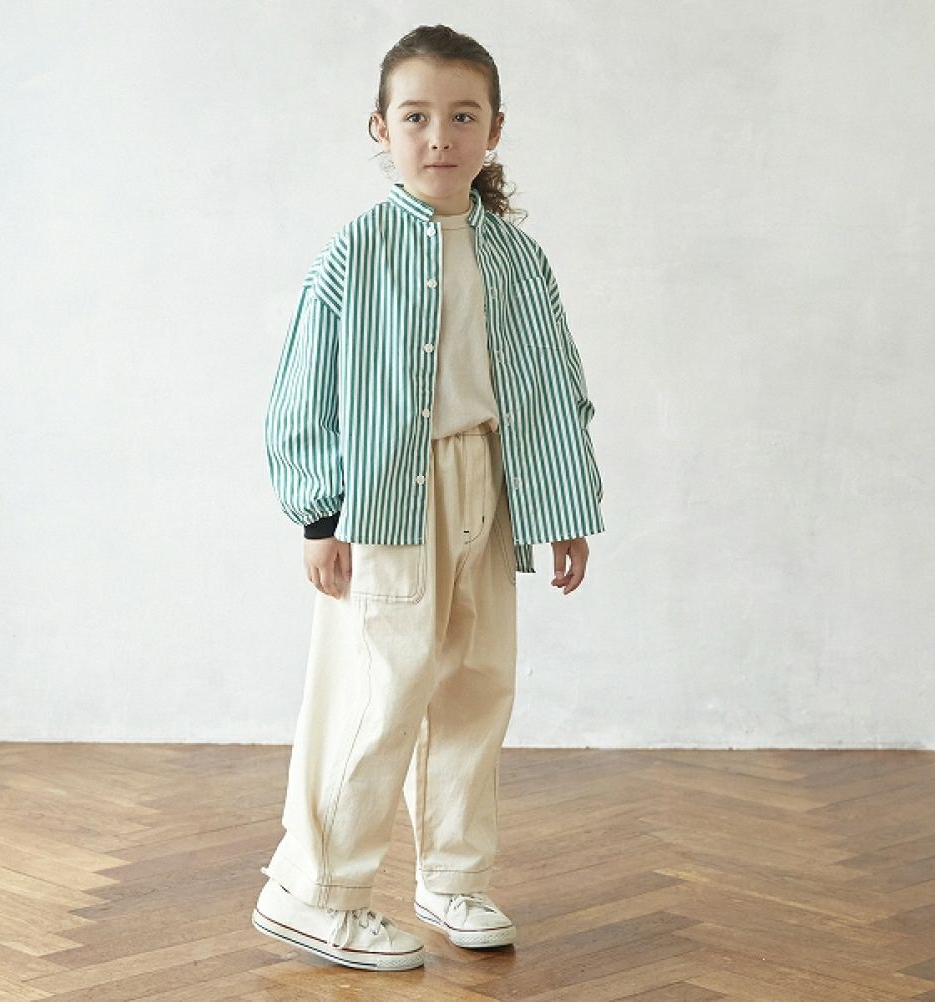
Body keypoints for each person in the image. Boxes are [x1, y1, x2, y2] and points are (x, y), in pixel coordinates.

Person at [251, 23, 605, 972]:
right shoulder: (356, 251)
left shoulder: (516, 257)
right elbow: (301, 391)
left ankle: (454, 875)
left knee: (476, 686)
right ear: (381, 128)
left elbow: (554, 384)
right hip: (389, 499)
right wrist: (319, 516)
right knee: (379, 688)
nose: (439, 136)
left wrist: (564, 509)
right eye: (416, 117)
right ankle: (310, 890)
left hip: (489, 486)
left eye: (462, 116)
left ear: (495, 129)